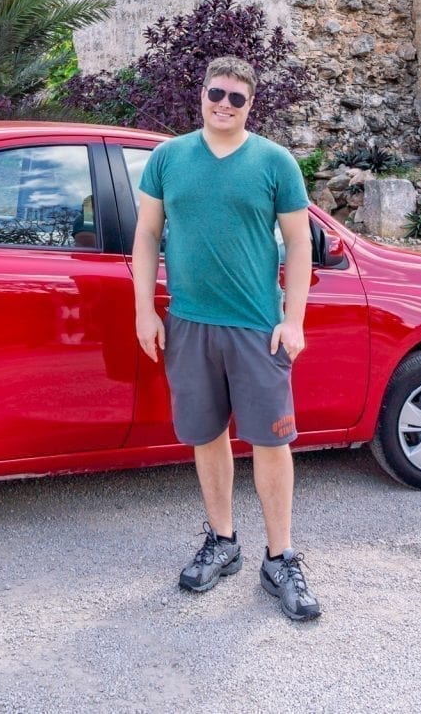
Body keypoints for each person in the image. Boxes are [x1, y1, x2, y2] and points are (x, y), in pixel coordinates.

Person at [132, 55, 320, 622]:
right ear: (204, 94)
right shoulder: (167, 159)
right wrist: (146, 310)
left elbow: (301, 243)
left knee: (271, 441)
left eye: (237, 98)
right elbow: (146, 236)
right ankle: (222, 541)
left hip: (257, 330)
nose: (224, 105)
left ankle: (281, 557)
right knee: (206, 436)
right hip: (189, 323)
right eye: (217, 93)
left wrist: (294, 320)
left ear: (250, 104)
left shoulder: (274, 162)